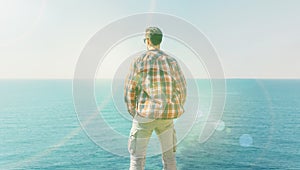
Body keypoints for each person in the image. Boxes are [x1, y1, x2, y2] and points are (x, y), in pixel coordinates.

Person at [124, 27, 187, 170]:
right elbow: (182, 88)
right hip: (166, 116)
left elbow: (130, 89)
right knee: (169, 158)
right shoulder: (172, 61)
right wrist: (174, 106)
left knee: (137, 160)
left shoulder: (139, 61)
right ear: (160, 41)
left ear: (147, 41)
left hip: (144, 115)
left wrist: (133, 111)